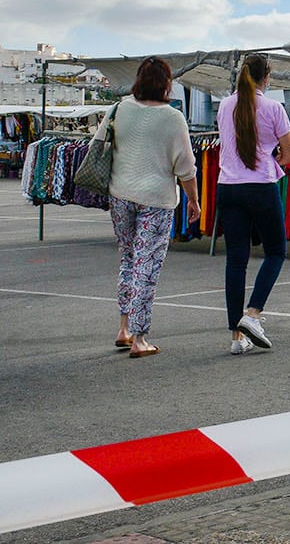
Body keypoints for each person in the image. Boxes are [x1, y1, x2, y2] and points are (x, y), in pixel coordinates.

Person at [105, 57, 198, 358]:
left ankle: (123, 327)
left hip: (120, 194)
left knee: (128, 258)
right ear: (166, 84)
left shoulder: (120, 108)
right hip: (156, 199)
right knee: (147, 265)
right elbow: (185, 167)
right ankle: (139, 338)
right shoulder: (173, 118)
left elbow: (100, 144)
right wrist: (194, 200)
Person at [217, 52, 290, 356]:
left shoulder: (225, 106)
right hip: (260, 187)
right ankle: (252, 315)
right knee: (276, 251)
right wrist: (273, 161)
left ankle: (237, 337)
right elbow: (289, 155)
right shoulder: (274, 108)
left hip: (228, 186)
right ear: (267, 77)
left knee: (235, 261)